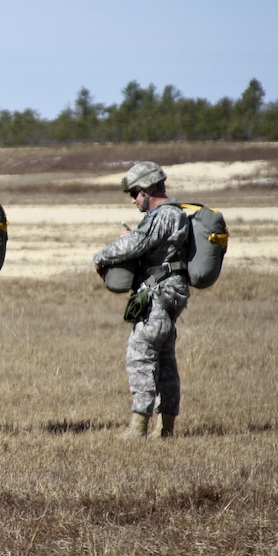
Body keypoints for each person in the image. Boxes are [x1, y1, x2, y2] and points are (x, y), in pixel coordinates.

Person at [94, 161, 190, 439]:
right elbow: (145, 243)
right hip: (167, 294)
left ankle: (138, 427)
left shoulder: (164, 215)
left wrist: (101, 256)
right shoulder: (174, 215)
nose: (134, 199)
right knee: (165, 359)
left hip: (158, 296)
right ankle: (166, 428)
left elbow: (136, 245)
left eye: (136, 193)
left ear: (149, 187)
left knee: (141, 356)